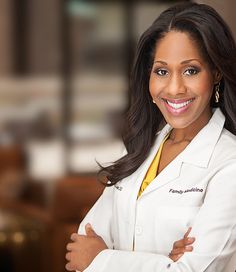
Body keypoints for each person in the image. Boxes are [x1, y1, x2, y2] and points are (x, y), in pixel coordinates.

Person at [65, 2, 236, 271]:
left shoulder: (230, 163)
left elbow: (190, 270)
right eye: (162, 71)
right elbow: (83, 245)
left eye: (190, 70)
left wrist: (103, 259)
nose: (174, 87)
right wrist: (162, 262)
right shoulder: (141, 147)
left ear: (215, 73)